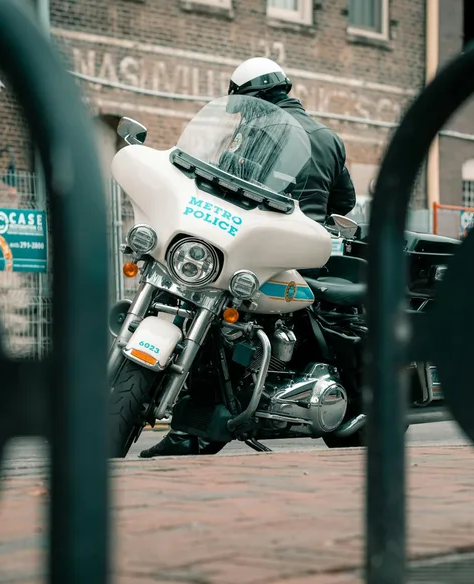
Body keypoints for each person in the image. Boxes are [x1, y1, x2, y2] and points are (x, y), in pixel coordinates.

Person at [139, 57, 357, 458]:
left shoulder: (259, 132)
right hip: (305, 253)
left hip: (256, 247)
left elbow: (220, 185)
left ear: (247, 97)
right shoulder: (328, 137)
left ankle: (194, 432)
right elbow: (346, 201)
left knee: (216, 332)